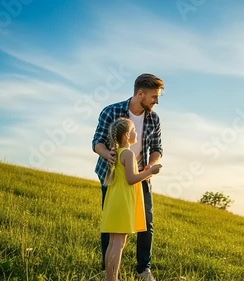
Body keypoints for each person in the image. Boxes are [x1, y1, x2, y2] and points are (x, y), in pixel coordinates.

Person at [92, 73, 164, 280]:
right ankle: (109, 272)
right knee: (112, 225)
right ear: (140, 93)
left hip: (140, 174)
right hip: (113, 176)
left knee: (146, 222)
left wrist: (149, 166)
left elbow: (158, 147)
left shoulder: (154, 118)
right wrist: (109, 154)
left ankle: (143, 269)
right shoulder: (111, 111)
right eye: (154, 97)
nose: (156, 101)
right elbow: (97, 142)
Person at [101, 117, 162, 281]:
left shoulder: (118, 153)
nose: (137, 133)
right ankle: (112, 279)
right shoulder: (127, 154)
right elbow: (131, 179)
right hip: (123, 201)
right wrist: (151, 171)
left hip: (115, 199)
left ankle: (110, 278)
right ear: (128, 135)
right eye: (134, 130)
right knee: (119, 243)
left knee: (114, 242)